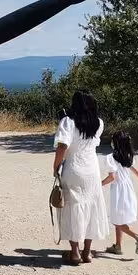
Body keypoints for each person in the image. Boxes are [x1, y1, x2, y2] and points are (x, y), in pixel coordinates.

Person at [52, 90, 108, 265]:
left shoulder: (68, 122)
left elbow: (63, 146)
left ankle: (75, 252)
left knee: (72, 207)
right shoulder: (98, 123)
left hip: (74, 169)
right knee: (91, 206)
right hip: (92, 169)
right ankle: (87, 252)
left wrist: (55, 166)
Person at [101, 131, 138, 255]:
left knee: (116, 220)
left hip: (118, 191)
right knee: (119, 218)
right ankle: (118, 246)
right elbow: (136, 172)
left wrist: (99, 185)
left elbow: (112, 177)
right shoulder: (128, 156)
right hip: (128, 190)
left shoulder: (110, 158)